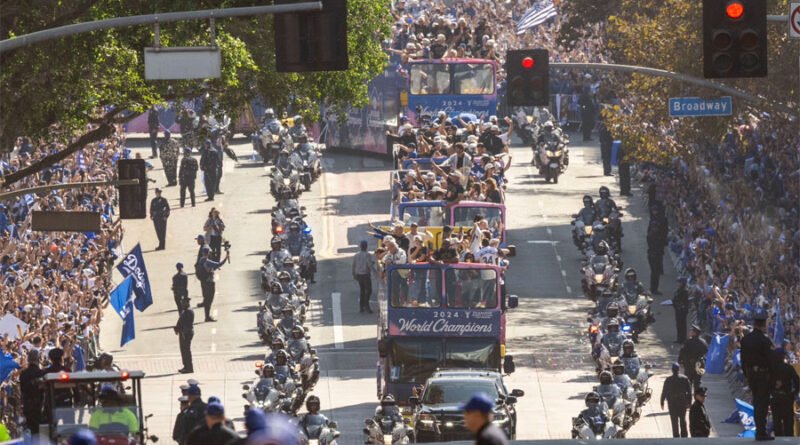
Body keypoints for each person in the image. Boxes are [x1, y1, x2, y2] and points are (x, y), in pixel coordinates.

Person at [740, 307, 774, 441]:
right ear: (764, 323)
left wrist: (747, 374)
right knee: (762, 404)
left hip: (751, 375)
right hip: (763, 376)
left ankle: (760, 430)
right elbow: (770, 361)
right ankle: (761, 431)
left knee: (756, 402)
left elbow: (743, 360)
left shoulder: (746, 339)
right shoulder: (765, 341)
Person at [769, 348, 799, 436]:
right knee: (788, 420)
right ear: (783, 356)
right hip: (787, 397)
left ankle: (778, 439)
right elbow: (797, 381)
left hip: (775, 397)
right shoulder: (789, 368)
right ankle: (789, 438)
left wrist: (771, 392)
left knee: (776, 419)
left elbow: (767, 382)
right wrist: (794, 393)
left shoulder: (771, 369)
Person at [197, 246, 230, 322]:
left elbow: (211, 268)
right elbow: (218, 264)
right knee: (209, 300)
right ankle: (207, 316)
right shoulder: (207, 261)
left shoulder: (201, 260)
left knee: (206, 299)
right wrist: (226, 258)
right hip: (209, 283)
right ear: (208, 253)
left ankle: (207, 316)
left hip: (203, 282)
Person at [660, 362, 692, 438]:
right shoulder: (685, 379)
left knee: (674, 421)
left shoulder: (668, 380)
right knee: (682, 420)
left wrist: (662, 402)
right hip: (682, 402)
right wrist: (689, 402)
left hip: (672, 403)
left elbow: (664, 391)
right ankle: (684, 436)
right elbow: (690, 392)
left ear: (672, 370)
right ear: (678, 369)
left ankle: (676, 437)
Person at [20, 349, 45, 434]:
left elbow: (22, 389)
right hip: (39, 406)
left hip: (27, 405)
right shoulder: (41, 373)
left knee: (29, 430)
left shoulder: (23, 373)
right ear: (39, 359)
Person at [679, 324, 708, 390]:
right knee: (697, 382)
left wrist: (681, 362)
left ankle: (688, 398)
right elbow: (706, 351)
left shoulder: (687, 342)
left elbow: (682, 352)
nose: (690, 332)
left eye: (691, 331)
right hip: (700, 364)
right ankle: (696, 397)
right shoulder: (703, 342)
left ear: (694, 333)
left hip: (689, 365)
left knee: (688, 382)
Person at [352, 240, 376, 313]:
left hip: (359, 275)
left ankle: (361, 306)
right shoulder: (367, 255)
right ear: (366, 246)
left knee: (362, 290)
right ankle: (366, 305)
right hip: (365, 275)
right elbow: (369, 265)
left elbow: (353, 265)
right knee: (368, 290)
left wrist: (354, 274)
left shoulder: (356, 255)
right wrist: (375, 273)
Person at [175, 296, 195, 373]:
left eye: (183, 302)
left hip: (186, 333)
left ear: (187, 302)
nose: (181, 303)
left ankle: (189, 367)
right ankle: (186, 366)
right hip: (184, 332)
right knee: (183, 350)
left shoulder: (188, 311)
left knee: (186, 350)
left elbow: (185, 323)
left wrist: (180, 329)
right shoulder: (185, 311)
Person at [672, 277, 690, 343]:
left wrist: (678, 305)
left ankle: (682, 339)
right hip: (678, 309)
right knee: (678, 324)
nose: (678, 283)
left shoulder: (684, 291)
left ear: (682, 283)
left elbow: (683, 301)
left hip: (682, 310)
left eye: (679, 282)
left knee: (682, 324)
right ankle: (679, 338)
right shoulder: (679, 290)